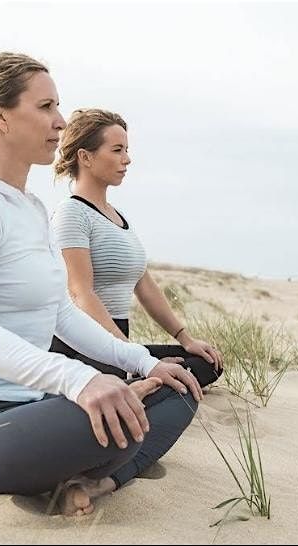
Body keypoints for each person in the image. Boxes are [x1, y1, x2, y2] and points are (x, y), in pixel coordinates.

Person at [0, 52, 202, 517]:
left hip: (34, 405)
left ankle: (92, 482)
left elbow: (62, 313)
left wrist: (144, 363)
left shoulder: (29, 210)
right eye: (46, 107)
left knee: (174, 387)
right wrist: (81, 378)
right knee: (113, 412)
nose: (61, 121)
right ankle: (80, 474)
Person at [49, 108, 224, 390]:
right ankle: (132, 383)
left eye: (126, 150)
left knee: (206, 363)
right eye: (117, 150)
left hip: (120, 340)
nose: (127, 159)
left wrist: (185, 339)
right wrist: (131, 354)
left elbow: (145, 286)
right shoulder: (72, 214)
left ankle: (140, 381)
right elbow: (80, 292)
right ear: (85, 157)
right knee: (120, 380)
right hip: (84, 345)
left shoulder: (118, 218)